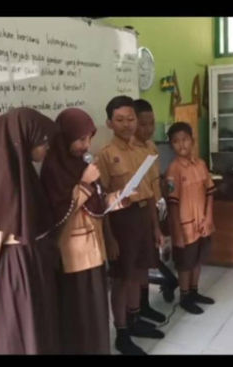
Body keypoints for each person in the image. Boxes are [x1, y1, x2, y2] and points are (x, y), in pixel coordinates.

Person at [41, 107, 132, 354]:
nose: (86, 145)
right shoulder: (53, 170)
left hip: (94, 251)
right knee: (79, 316)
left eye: (89, 138)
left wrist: (119, 198)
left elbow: (97, 204)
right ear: (65, 137)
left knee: (96, 313)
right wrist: (83, 182)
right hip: (73, 257)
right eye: (81, 139)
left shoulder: (81, 164)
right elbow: (58, 213)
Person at [0, 107, 60, 354]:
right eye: (43, 141)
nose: (47, 148)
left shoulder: (25, 176)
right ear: (25, 140)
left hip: (33, 263)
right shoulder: (5, 181)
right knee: (25, 334)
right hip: (18, 268)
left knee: (40, 331)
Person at [96, 96, 165, 355]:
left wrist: (156, 229)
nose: (127, 125)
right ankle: (122, 332)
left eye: (131, 119)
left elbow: (148, 194)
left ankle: (135, 321)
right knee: (121, 279)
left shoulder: (144, 150)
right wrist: (110, 239)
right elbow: (99, 201)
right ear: (109, 123)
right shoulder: (105, 155)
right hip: (120, 222)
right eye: (120, 120)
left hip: (143, 216)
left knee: (139, 273)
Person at [165, 122, 217, 315]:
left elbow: (210, 192)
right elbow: (172, 203)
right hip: (185, 225)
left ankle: (194, 292)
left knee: (198, 259)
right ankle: (185, 296)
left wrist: (208, 217)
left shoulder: (201, 164)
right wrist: (176, 232)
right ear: (171, 145)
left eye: (185, 140)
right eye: (176, 142)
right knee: (185, 263)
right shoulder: (174, 170)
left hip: (202, 222)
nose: (182, 145)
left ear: (192, 141)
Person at [133, 99, 178, 313]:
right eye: (143, 124)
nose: (149, 129)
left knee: (151, 257)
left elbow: (154, 180)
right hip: (141, 211)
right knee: (140, 263)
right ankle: (138, 308)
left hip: (157, 207)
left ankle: (145, 305)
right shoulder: (129, 151)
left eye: (152, 123)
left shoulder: (151, 146)